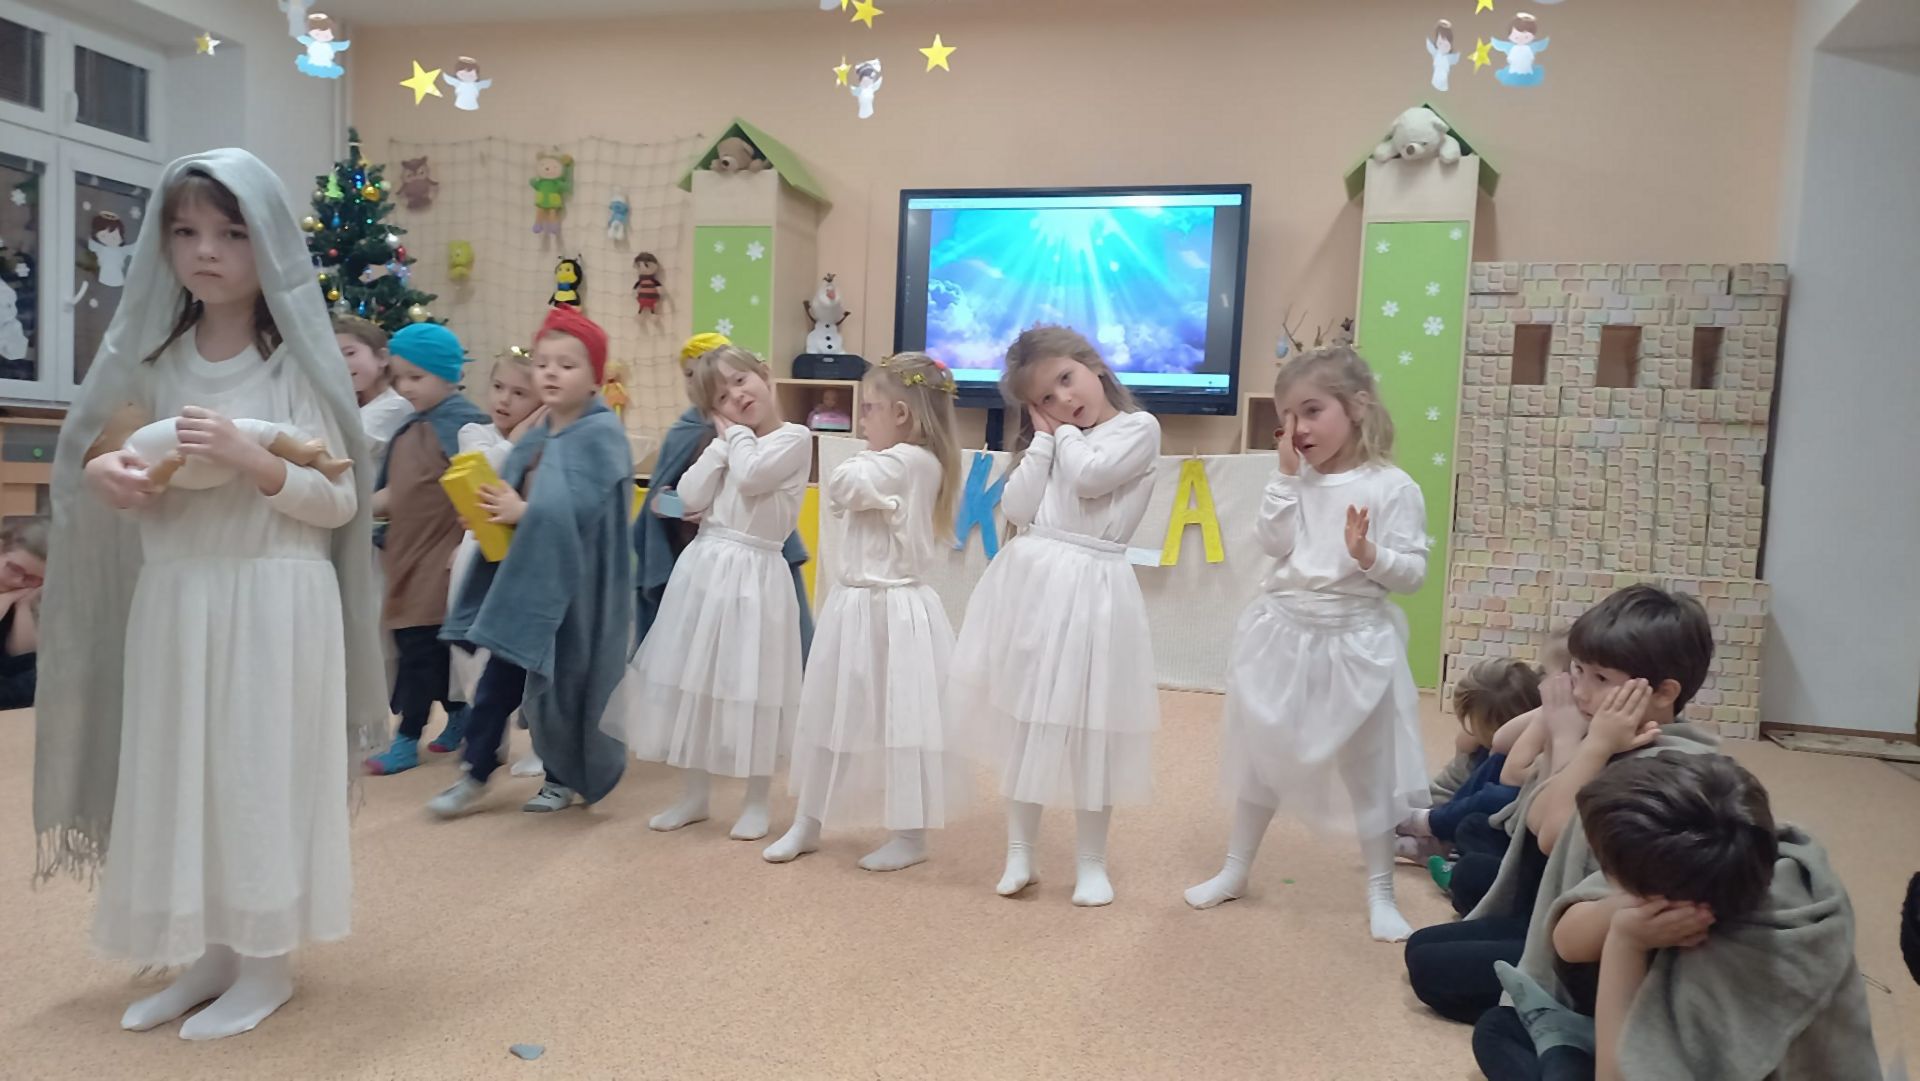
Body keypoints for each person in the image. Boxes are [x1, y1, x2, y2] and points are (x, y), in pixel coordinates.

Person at [36, 149, 385, 1040]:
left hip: (274, 596)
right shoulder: (153, 363)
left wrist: (253, 459)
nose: (206, 251)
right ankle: (212, 952)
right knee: (185, 772)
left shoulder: (298, 365)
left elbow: (339, 500)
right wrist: (109, 475)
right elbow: (113, 457)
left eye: (231, 232)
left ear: (267, 243)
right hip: (177, 597)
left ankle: (266, 962)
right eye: (186, 231)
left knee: (257, 772)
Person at [1183, 337, 1429, 941]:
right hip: (1284, 632)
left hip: (1355, 639)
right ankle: (1236, 869)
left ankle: (1380, 891)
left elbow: (1413, 574)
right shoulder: (1295, 479)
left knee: (1368, 768)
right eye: (1287, 416)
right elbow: (1274, 543)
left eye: (1312, 411)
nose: (1297, 429)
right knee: (1262, 755)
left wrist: (1369, 554)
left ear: (1358, 406)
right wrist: (1285, 480)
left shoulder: (1393, 487)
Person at [1404, 584, 1718, 1025]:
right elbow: (1534, 816)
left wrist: (1585, 743)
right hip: (1554, 911)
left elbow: (1553, 836)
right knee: (1423, 944)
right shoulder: (1606, 728)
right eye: (1578, 671)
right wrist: (1569, 736)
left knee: (1433, 971)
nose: (1581, 692)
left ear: (1664, 693)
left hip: (1592, 956)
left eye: (1601, 679)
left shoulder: (1663, 762)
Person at [1473, 752, 1881, 1081]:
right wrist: (1620, 916)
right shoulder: (1734, 861)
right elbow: (1565, 940)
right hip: (1638, 1026)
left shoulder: (1726, 960)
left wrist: (1625, 942)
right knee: (1498, 1029)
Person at [947, 325, 1162, 907]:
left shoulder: (1138, 428)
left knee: (1093, 729)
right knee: (1029, 719)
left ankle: (1092, 863)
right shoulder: (1055, 442)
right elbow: (1019, 508)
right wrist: (1040, 443)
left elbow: (1092, 478)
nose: (1064, 400)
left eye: (1066, 379)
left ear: (1095, 366)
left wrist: (1059, 433)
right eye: (1045, 398)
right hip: (1035, 586)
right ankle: (1020, 853)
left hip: (1095, 588)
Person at [764, 352, 967, 871]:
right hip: (854, 605)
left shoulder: (911, 462)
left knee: (901, 722)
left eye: (870, 408)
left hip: (893, 610)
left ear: (901, 414)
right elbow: (850, 482)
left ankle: (910, 835)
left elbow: (842, 482)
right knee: (829, 711)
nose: (860, 419)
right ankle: (808, 822)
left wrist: (855, 467)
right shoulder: (891, 461)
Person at [427, 306, 633, 817]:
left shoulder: (601, 433)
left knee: (564, 687)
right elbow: (513, 488)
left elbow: (582, 508)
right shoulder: (538, 433)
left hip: (575, 593)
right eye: (543, 364)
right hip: (527, 587)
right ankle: (475, 772)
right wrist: (489, 514)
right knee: (497, 682)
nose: (551, 374)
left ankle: (563, 776)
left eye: (567, 365)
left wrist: (524, 511)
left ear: (595, 377)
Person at [608, 345, 809, 841]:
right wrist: (719, 448)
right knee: (694, 683)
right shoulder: (725, 446)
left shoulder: (794, 437)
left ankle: (756, 801)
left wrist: (732, 436)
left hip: (758, 573)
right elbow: (689, 498)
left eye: (741, 381)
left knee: (755, 688)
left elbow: (754, 476)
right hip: (704, 569)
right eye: (721, 396)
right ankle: (693, 796)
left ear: (764, 375)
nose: (736, 396)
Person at [635, 332, 813, 660]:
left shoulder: (772, 436)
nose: (697, 381)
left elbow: (756, 482)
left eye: (738, 379)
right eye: (690, 374)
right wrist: (680, 509)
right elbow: (660, 503)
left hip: (755, 560)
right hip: (701, 560)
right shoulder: (689, 432)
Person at [363, 323, 488, 774]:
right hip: (407, 555)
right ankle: (458, 715)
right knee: (425, 646)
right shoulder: (412, 428)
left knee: (421, 649)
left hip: (443, 556)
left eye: (416, 377)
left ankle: (407, 737)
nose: (405, 387)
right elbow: (398, 493)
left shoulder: (464, 426)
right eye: (399, 377)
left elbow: (483, 489)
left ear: (448, 374)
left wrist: (469, 544)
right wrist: (352, 508)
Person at [446, 346, 545, 778]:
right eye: (499, 387)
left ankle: (541, 741)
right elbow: (485, 473)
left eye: (520, 394)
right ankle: (489, 740)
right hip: (478, 551)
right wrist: (518, 439)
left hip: (525, 556)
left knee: (526, 656)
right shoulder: (475, 432)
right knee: (470, 650)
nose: (504, 399)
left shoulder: (551, 441)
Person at [1397, 656, 1543, 864]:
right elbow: (1449, 785)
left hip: (1504, 825)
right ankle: (1432, 831)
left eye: (1473, 725)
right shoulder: (1479, 747)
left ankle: (1435, 834)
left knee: (1474, 821)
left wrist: (1427, 819)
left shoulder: (1511, 754)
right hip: (1447, 804)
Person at [334, 314, 410, 467]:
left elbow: (344, 446)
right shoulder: (351, 402)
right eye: (333, 356)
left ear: (382, 358)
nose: (340, 363)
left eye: (350, 353)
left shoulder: (395, 406)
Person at [0, 516, 47, 710]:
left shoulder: (16, 598)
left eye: (32, 579)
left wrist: (23, 604)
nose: (19, 581)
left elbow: (20, 659)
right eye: (15, 569)